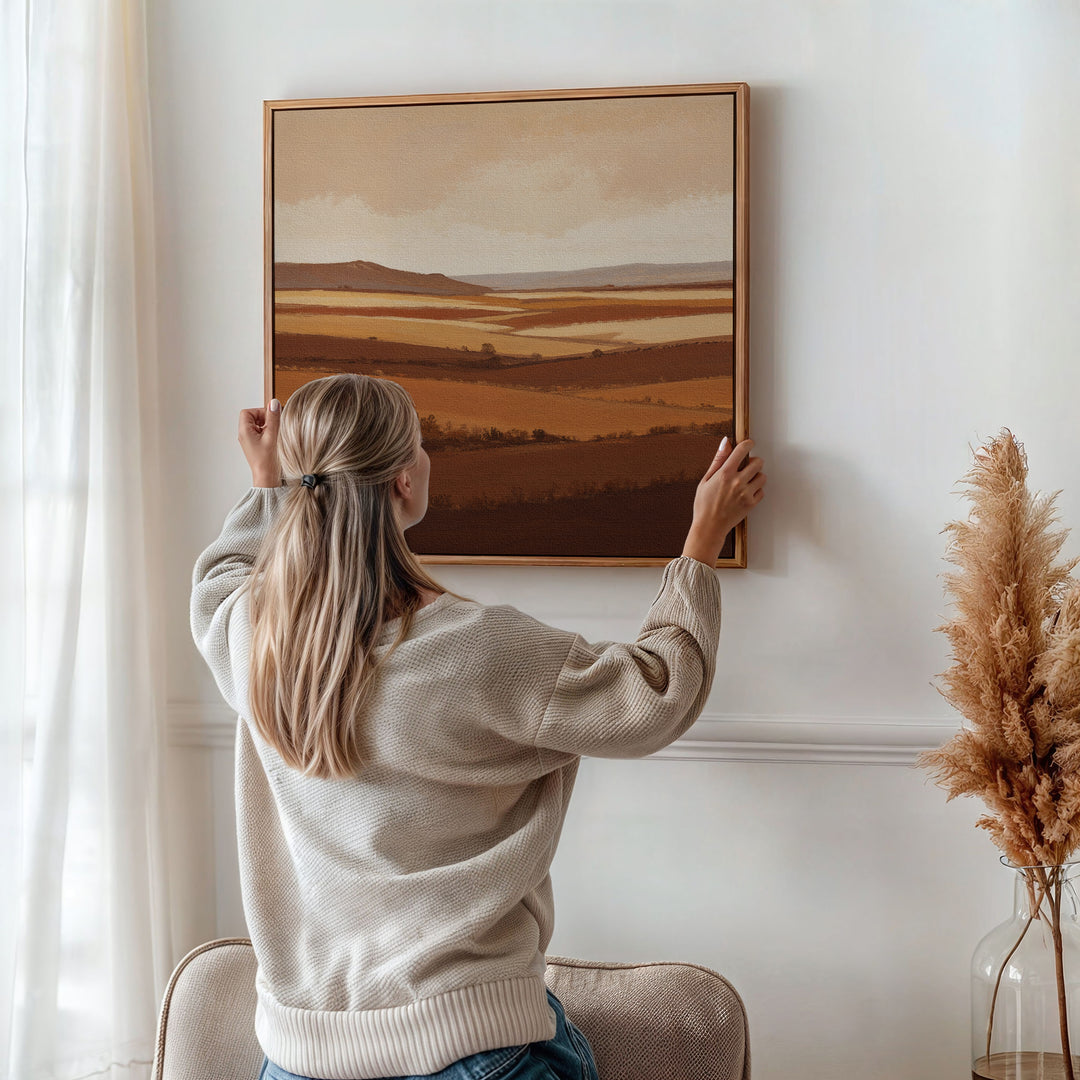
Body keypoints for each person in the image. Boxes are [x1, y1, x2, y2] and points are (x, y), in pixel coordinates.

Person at [190, 373, 766, 1080]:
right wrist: (701, 540)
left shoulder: (254, 639)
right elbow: (655, 692)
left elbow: (218, 579)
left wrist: (266, 485)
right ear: (403, 482)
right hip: (469, 1051)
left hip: (297, 1061)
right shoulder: (478, 650)